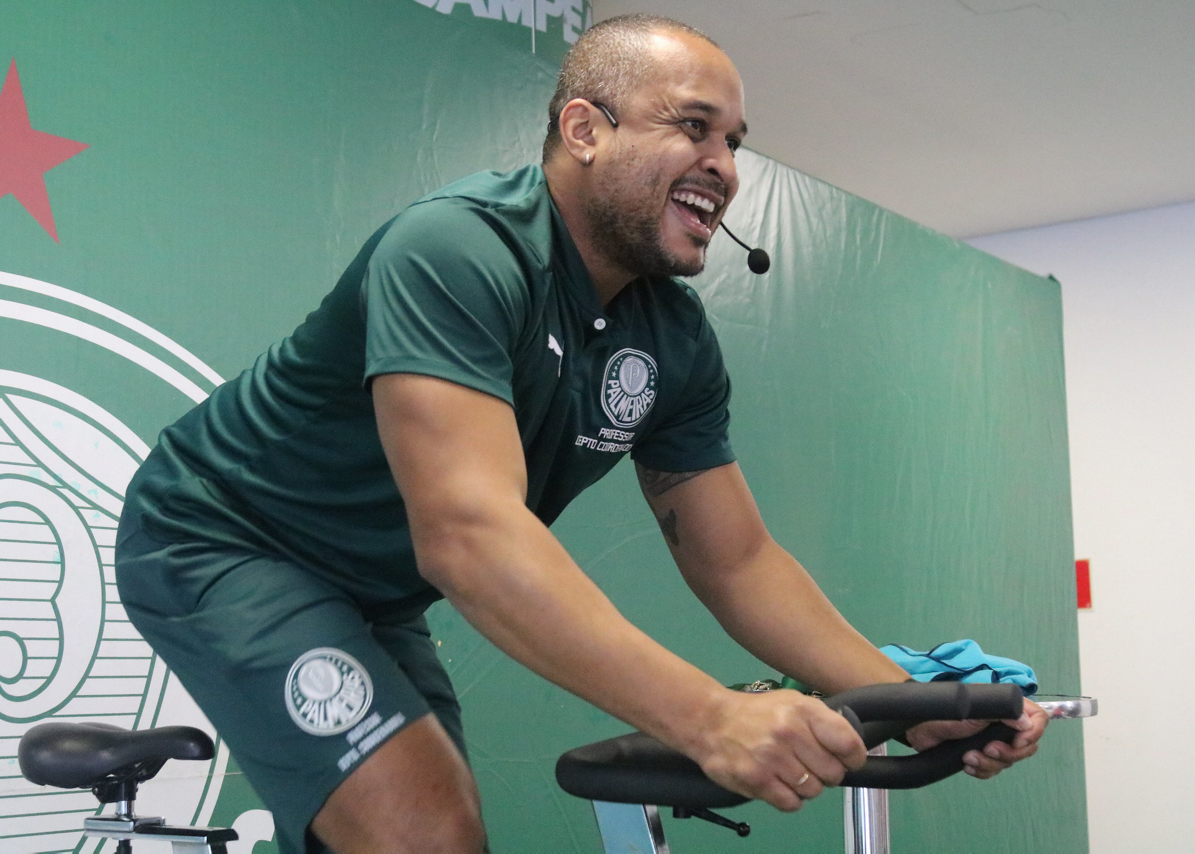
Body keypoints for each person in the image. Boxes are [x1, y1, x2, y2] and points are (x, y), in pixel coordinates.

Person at [115, 14, 1047, 854]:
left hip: (374, 589)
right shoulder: (459, 249)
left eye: (732, 141)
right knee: (422, 832)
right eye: (693, 126)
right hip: (221, 539)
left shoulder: (674, 337)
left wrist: (913, 703)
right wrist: (708, 717)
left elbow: (736, 562)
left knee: (437, 831)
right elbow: (470, 537)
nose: (724, 164)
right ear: (584, 130)